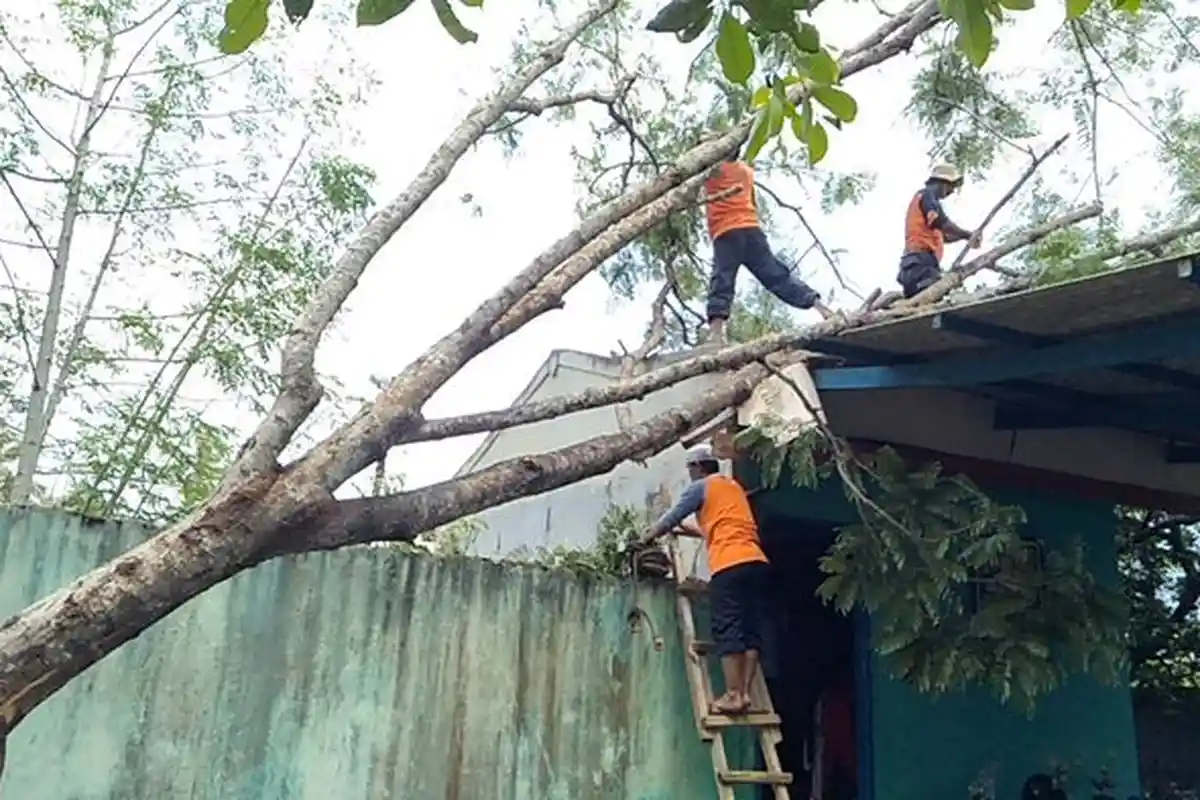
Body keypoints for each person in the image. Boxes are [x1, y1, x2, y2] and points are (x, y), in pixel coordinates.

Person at [639, 444, 770, 715]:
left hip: (730, 563)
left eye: (689, 469)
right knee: (750, 630)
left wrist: (647, 537)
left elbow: (673, 516)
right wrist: (694, 530)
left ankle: (733, 695)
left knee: (728, 626)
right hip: (756, 561)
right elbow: (725, 526)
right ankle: (744, 694)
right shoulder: (733, 487)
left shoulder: (700, 487)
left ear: (697, 467)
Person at [702, 153, 834, 345]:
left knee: (722, 278)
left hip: (726, 232)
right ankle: (821, 308)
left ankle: (716, 334)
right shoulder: (746, 171)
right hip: (752, 230)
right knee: (776, 275)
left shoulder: (712, 170)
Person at [897, 162, 981, 298]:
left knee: (923, 301)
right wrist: (967, 234)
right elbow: (941, 221)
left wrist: (965, 237)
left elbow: (943, 235)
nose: (951, 191)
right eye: (951, 187)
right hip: (920, 263)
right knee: (930, 299)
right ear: (943, 183)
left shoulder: (923, 201)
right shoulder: (927, 196)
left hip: (914, 264)